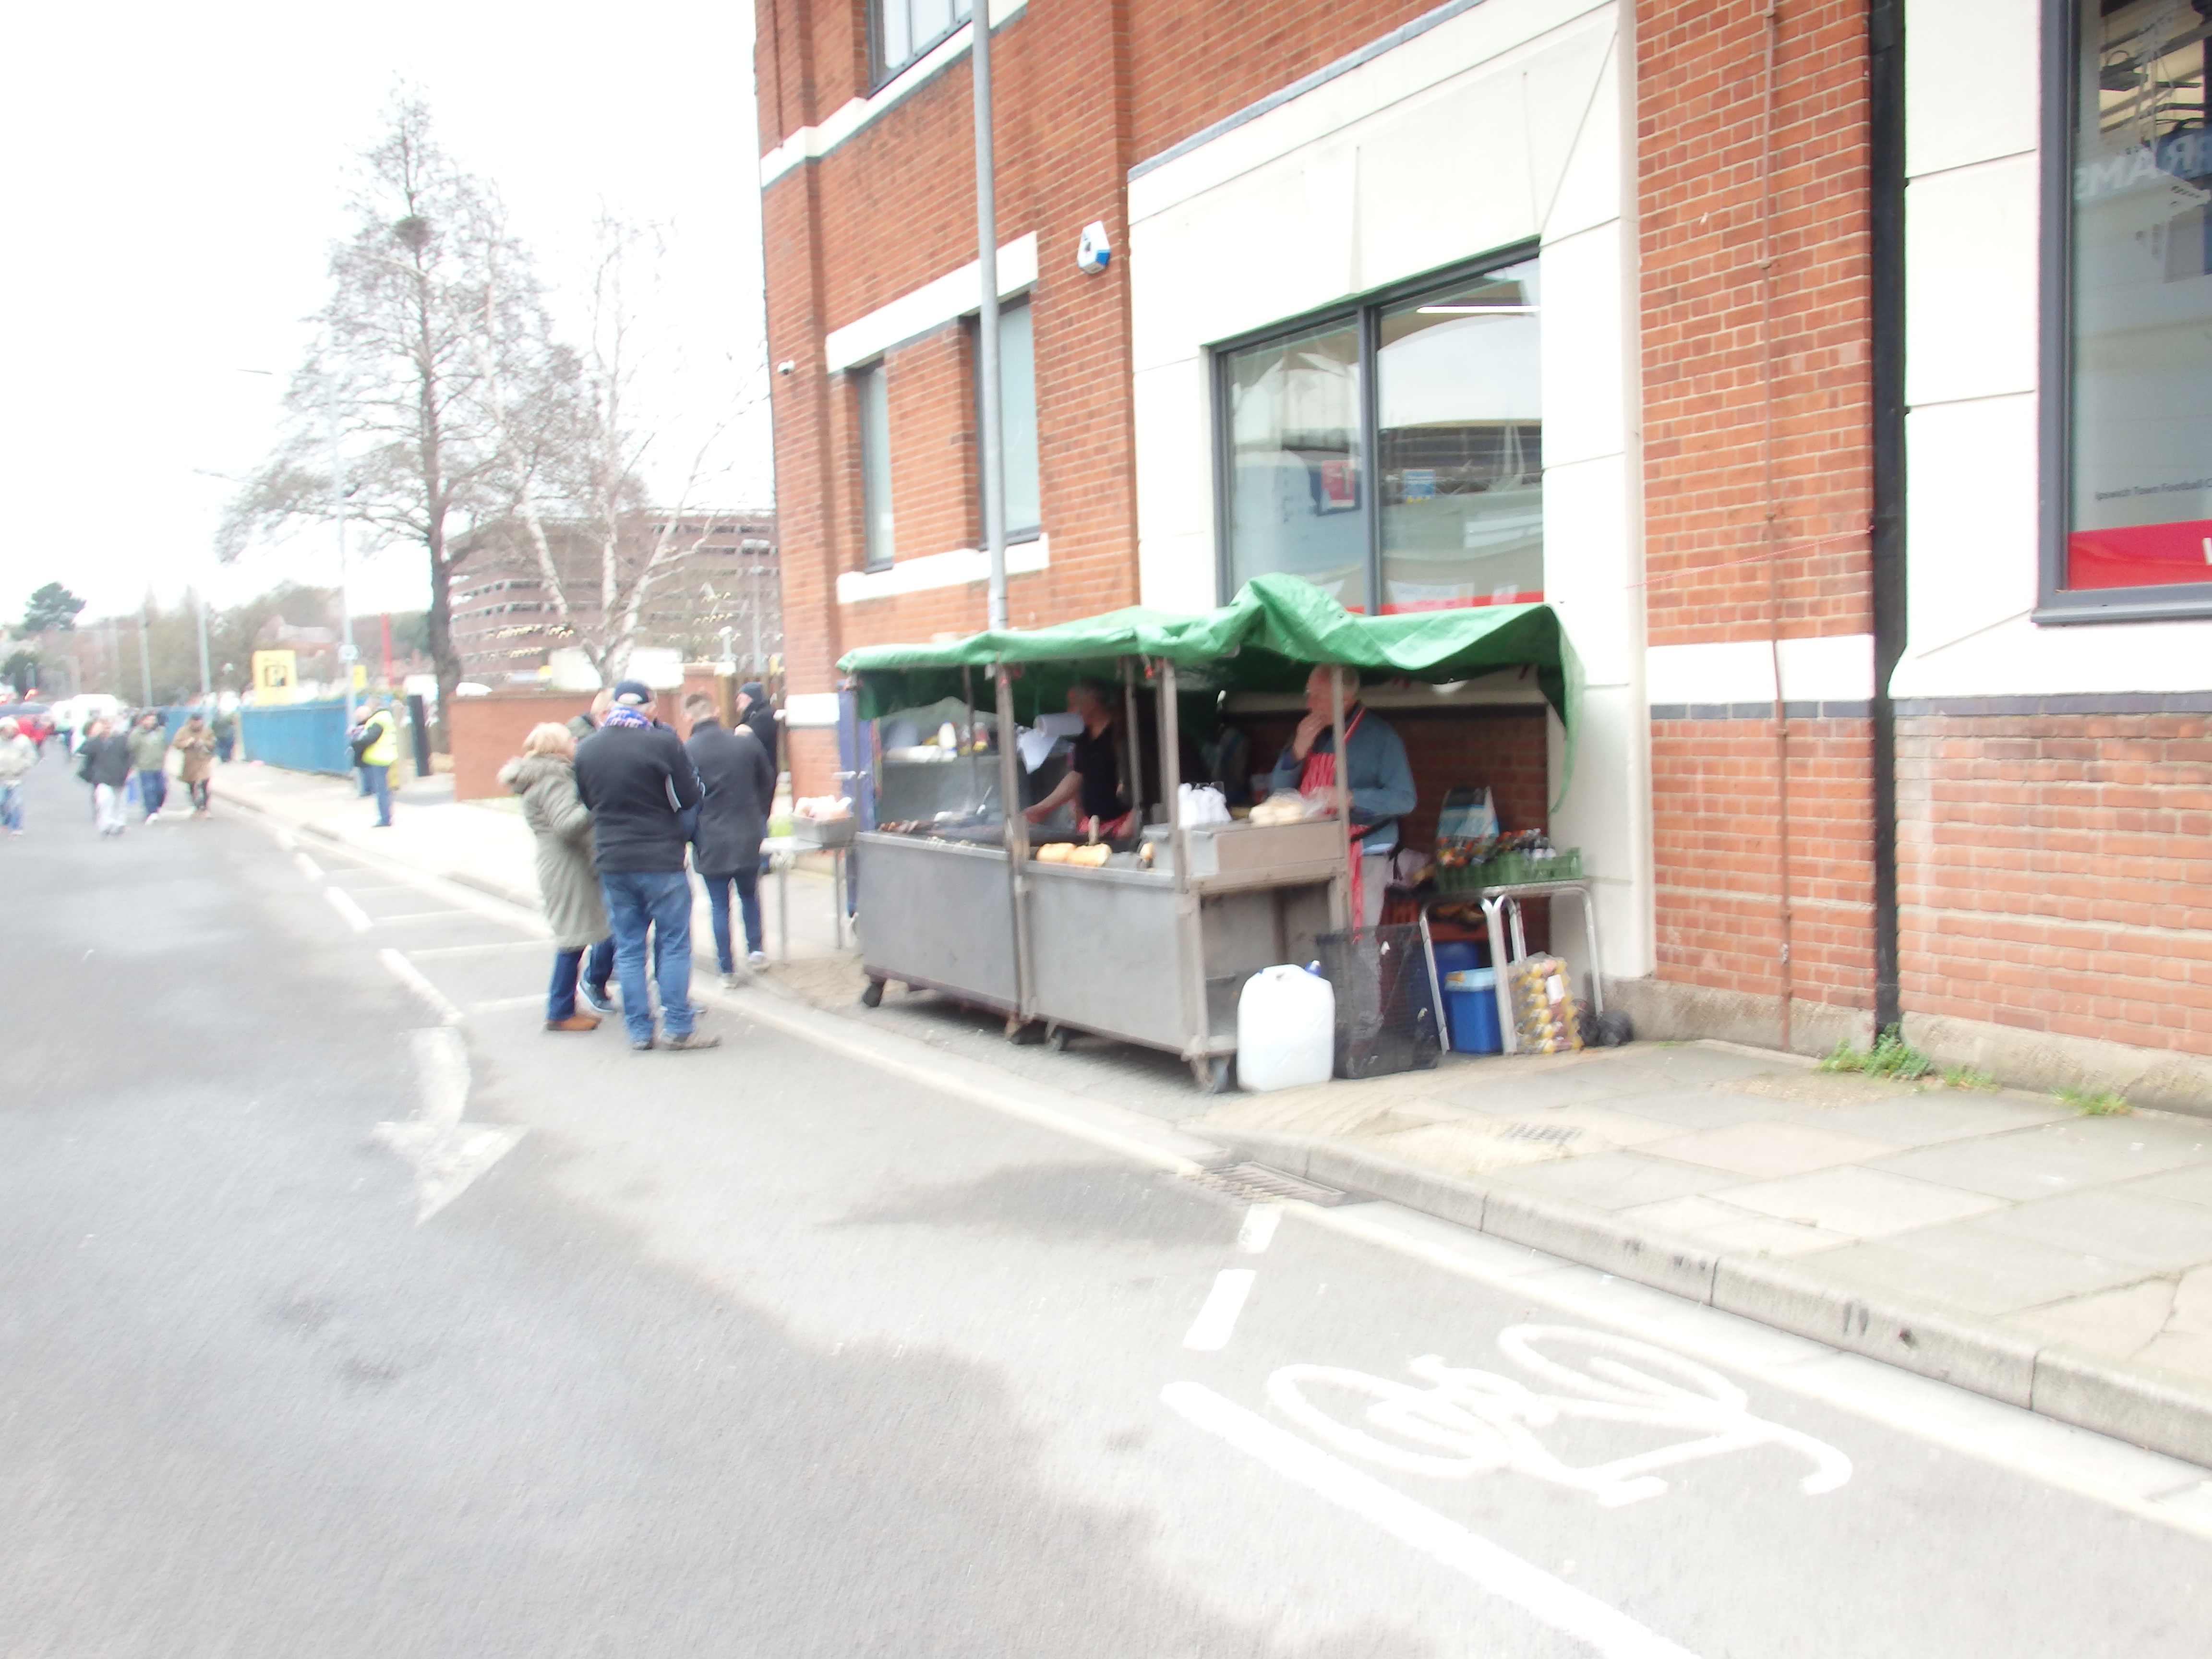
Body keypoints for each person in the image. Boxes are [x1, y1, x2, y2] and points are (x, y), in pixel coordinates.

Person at [573, 680, 718, 1052]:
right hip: (661, 859)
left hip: (613, 859)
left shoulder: (587, 749)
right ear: (649, 708)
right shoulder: (663, 743)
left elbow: (587, 802)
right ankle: (678, 1027)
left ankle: (639, 1030)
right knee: (672, 943)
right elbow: (690, 796)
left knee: (630, 947)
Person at [1266, 665, 1416, 929]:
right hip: (1314, 852)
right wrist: (1297, 752)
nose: (1309, 703)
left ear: (1345, 699)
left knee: (1358, 936)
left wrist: (1350, 798)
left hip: (1364, 853)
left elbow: (1404, 799)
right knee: (1315, 934)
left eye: (1318, 696)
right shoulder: (1308, 733)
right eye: (1308, 694)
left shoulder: (1382, 739)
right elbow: (1277, 792)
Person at [500, 723, 616, 1034]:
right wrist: (597, 803)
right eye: (569, 739)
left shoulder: (542, 776)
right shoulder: (553, 779)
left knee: (575, 936)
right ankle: (560, 1010)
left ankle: (565, 1005)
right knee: (572, 939)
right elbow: (567, 825)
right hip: (567, 866)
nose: (574, 742)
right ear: (555, 746)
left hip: (561, 863)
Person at [683, 692, 777, 984]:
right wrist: (760, 814)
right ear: (716, 710)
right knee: (749, 894)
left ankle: (727, 969)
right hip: (747, 831)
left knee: (719, 904)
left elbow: (682, 798)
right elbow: (768, 779)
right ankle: (756, 949)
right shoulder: (744, 743)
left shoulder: (685, 752)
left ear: (688, 716)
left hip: (709, 837)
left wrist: (690, 832)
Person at [1022, 678, 1135, 839]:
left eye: (1074, 703)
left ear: (1093, 702)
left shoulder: (1122, 734)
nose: (1069, 710)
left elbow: (1145, 782)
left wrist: (1131, 823)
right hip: (1092, 826)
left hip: (1122, 826)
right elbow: (1077, 775)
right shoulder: (1084, 737)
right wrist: (1042, 808)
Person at [76, 718, 132, 837]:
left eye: (109, 725)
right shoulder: (96, 741)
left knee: (119, 802)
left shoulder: (121, 740)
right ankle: (106, 824)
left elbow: (129, 756)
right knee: (103, 801)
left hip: (119, 775)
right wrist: (93, 737)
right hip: (102, 776)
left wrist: (127, 771)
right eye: (104, 725)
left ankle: (119, 823)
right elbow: (83, 751)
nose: (107, 728)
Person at [351, 701, 399, 827]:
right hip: (386, 756)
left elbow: (370, 738)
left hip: (379, 758)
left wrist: (356, 743)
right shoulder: (386, 717)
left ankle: (385, 819)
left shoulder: (379, 719)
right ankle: (386, 818)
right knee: (383, 789)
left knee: (381, 790)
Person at [127, 711, 170, 823]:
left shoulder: (160, 731)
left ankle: (157, 806)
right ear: (142, 721)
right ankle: (151, 812)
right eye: (148, 719)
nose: (151, 722)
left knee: (161, 789)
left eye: (152, 719)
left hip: (159, 766)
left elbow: (166, 745)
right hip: (144, 767)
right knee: (149, 789)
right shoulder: (137, 733)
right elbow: (131, 748)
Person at [171, 713, 217, 817]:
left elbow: (213, 744)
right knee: (191, 784)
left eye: (198, 721)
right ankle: (196, 803)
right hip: (190, 762)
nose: (196, 724)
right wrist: (188, 742)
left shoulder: (207, 731)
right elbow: (176, 744)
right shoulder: (183, 731)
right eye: (194, 721)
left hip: (203, 761)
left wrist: (204, 743)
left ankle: (204, 806)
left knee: (204, 783)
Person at [0, 717, 34, 836]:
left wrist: (22, 766)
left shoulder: (22, 741)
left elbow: (31, 756)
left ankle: (16, 826)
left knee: (16, 803)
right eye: (4, 729)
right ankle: (6, 822)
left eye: (9, 728)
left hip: (17, 777)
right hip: (2, 777)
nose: (7, 731)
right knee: (2, 802)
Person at [736, 680, 778, 772]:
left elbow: (749, 741)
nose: (737, 700)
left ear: (749, 698)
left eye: (741, 697)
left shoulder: (764, 716)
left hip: (763, 772)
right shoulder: (751, 715)